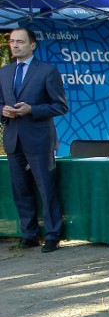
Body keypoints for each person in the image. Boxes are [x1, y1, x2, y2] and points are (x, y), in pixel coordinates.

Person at [0, 28, 68, 253]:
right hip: (13, 139)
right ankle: (29, 233)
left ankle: (52, 234)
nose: (15, 45)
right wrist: (4, 111)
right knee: (20, 189)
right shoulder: (4, 72)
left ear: (33, 45)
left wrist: (32, 109)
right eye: (12, 42)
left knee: (46, 189)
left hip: (39, 139)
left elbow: (60, 106)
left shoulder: (47, 71)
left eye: (20, 42)